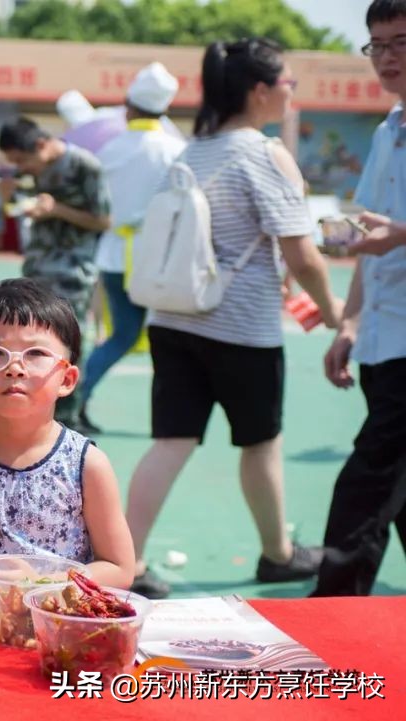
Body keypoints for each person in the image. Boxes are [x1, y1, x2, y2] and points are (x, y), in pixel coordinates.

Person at [125, 39, 342, 599]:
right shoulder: (262, 154)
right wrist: (336, 310)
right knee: (260, 442)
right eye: (288, 82)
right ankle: (278, 555)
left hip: (173, 318)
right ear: (260, 90)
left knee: (171, 440)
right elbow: (302, 253)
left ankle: (126, 559)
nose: (293, 91)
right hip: (241, 326)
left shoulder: (191, 151)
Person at [0, 278, 135, 589]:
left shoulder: (85, 464)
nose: (15, 367)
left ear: (67, 379)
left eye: (35, 353)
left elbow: (118, 568)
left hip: (57, 624)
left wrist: (44, 580)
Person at [312, 0, 406, 597]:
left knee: (367, 484)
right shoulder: (386, 130)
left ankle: (331, 610)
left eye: (402, 42)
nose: (388, 58)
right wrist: (348, 324)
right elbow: (372, 234)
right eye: (377, 45)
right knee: (396, 489)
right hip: (382, 339)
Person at [81, 62, 187, 434]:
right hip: (161, 258)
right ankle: (172, 414)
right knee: (169, 339)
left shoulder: (110, 149)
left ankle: (75, 398)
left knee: (122, 336)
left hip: (113, 254)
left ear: (128, 106)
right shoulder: (177, 149)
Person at [0, 117, 111, 431]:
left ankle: (68, 419)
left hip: (72, 270)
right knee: (31, 342)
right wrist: (9, 197)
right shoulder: (30, 170)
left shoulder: (85, 166)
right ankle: (36, 417)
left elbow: (103, 221)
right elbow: (18, 209)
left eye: (22, 160)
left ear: (41, 144)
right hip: (37, 269)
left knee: (68, 344)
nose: (22, 167)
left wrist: (57, 209)